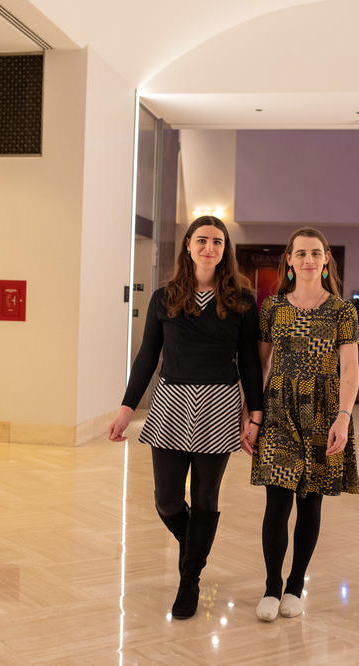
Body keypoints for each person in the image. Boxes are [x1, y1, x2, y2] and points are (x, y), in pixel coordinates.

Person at [108, 215, 263, 620]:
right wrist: (126, 409)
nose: (209, 247)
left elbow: (249, 362)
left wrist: (256, 416)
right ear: (188, 247)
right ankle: (194, 544)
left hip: (221, 403)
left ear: (225, 248)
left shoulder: (243, 301)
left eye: (217, 241)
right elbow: (146, 358)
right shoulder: (164, 298)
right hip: (172, 401)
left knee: (206, 497)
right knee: (167, 499)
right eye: (202, 241)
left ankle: (189, 579)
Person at [242, 227, 359, 622]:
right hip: (278, 410)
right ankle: (272, 587)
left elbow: (349, 369)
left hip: (324, 413)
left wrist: (343, 417)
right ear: (289, 261)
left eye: (315, 253)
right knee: (276, 504)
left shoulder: (343, 310)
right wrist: (252, 413)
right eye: (300, 254)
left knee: (310, 503)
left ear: (326, 259)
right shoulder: (273, 307)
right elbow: (259, 365)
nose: (308, 260)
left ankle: (296, 585)